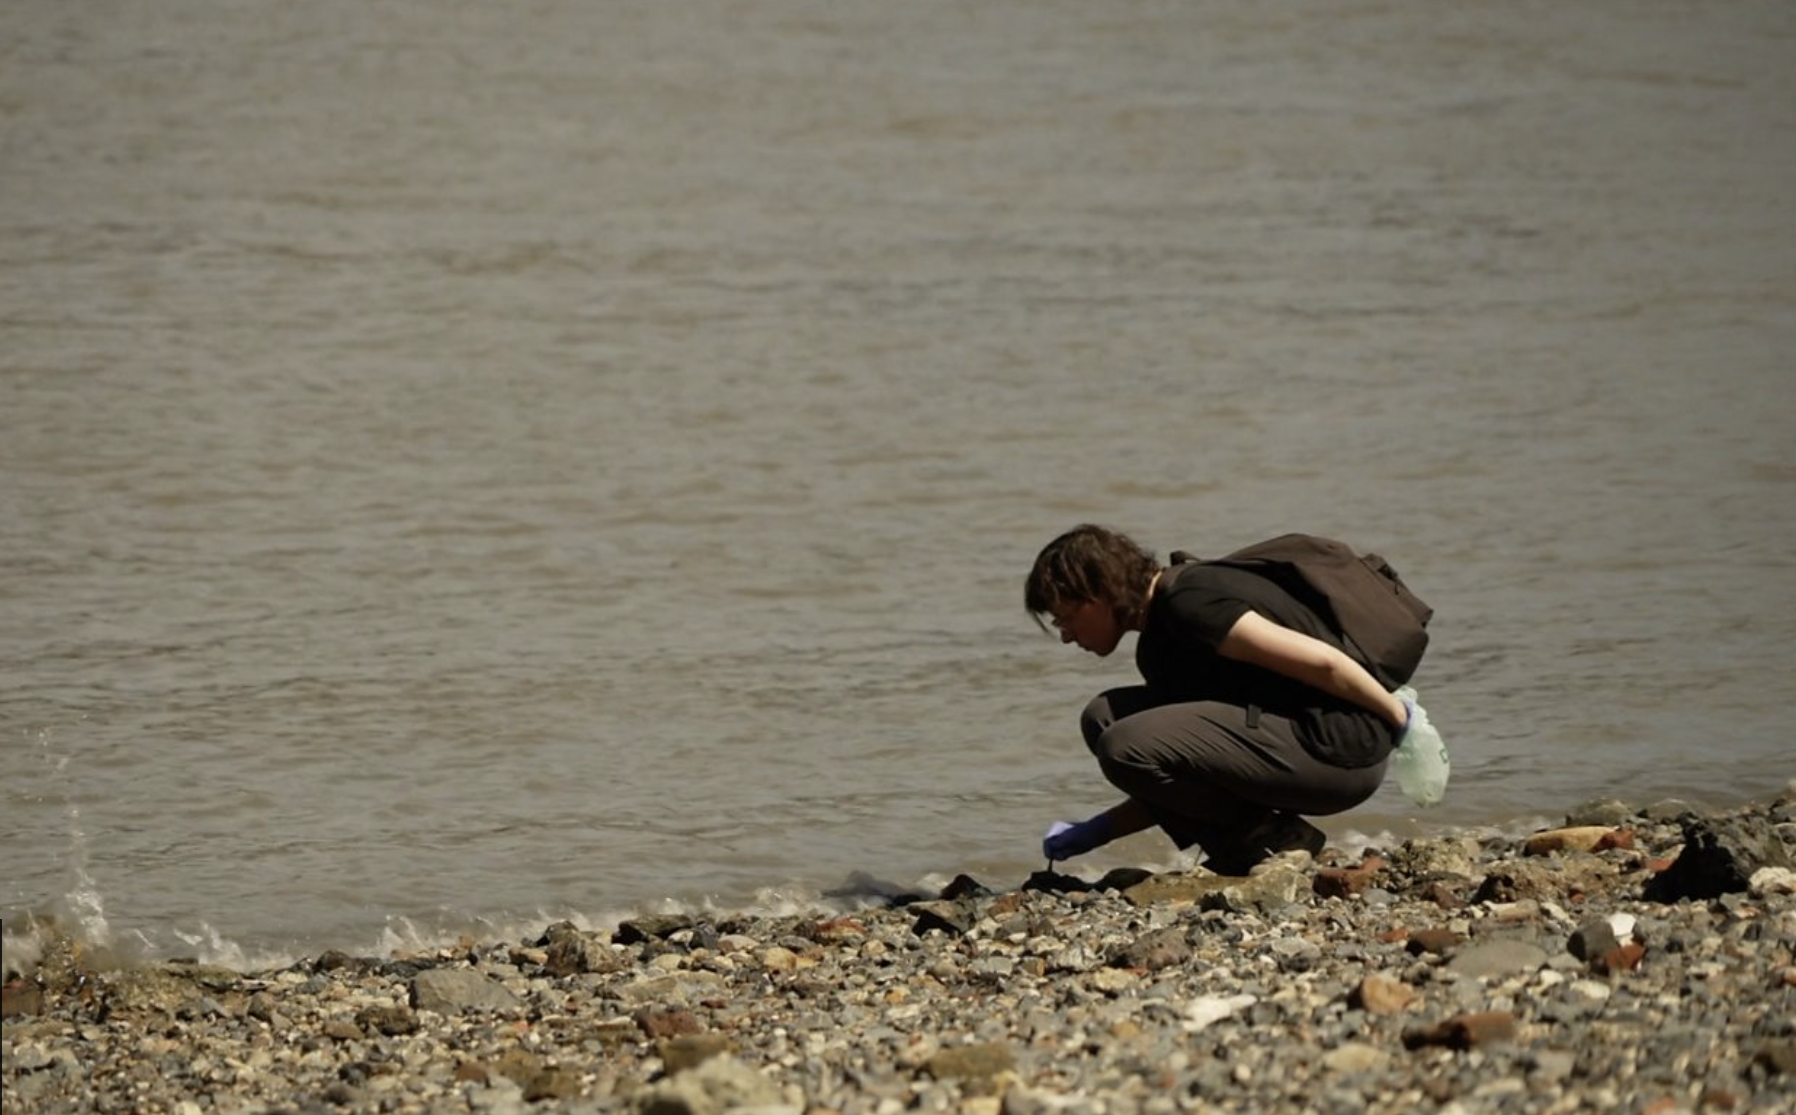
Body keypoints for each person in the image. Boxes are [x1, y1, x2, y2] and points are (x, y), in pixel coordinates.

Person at [1026, 523, 1415, 875]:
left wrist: (1399, 717)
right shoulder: (1158, 645)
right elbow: (1179, 776)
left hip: (1339, 752)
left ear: (1095, 596)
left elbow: (1325, 663)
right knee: (1104, 718)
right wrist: (1098, 831)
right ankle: (1250, 847)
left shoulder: (1192, 601)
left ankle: (1274, 841)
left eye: (1064, 619)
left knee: (1121, 741)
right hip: (1297, 746)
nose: (1066, 636)